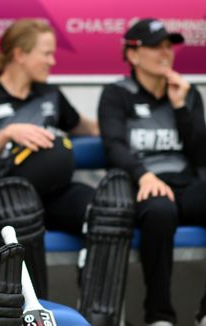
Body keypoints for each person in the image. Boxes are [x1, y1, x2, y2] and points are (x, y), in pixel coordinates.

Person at [0, 19, 99, 298]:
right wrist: (7, 133)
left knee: (105, 211)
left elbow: (88, 127)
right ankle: (32, 313)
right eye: (46, 53)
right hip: (6, 198)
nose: (53, 61)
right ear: (20, 55)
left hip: (54, 195)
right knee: (22, 213)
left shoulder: (50, 93)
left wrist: (118, 120)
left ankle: (97, 311)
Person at [98, 18, 206, 326]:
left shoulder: (187, 92)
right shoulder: (116, 94)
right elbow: (114, 146)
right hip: (142, 184)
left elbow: (200, 153)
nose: (166, 53)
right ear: (133, 54)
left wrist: (181, 106)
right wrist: (143, 174)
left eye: (168, 46)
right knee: (160, 213)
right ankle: (159, 316)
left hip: (185, 184)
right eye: (156, 46)